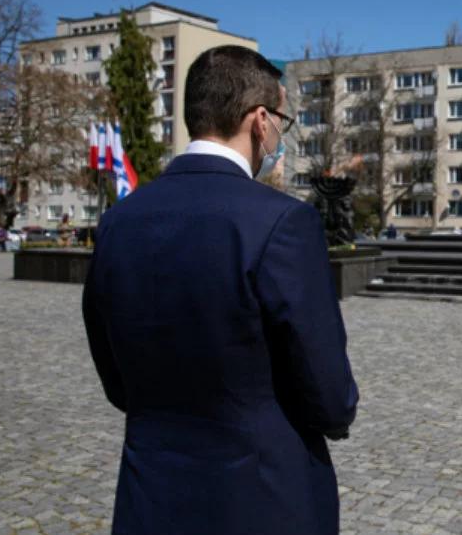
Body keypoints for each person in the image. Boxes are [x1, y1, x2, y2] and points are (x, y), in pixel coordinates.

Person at [82, 45, 359, 535]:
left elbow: (114, 374)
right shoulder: (282, 222)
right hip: (262, 497)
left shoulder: (118, 223)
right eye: (282, 121)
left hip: (151, 494)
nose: (279, 135)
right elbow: (329, 392)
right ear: (259, 120)